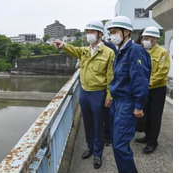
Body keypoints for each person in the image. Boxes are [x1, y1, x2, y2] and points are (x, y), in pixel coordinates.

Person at [54, 20, 115, 169]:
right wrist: (63, 46)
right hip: (84, 92)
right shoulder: (85, 51)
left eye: (92, 32)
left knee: (98, 124)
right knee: (87, 122)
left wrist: (109, 96)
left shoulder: (109, 53)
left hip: (98, 93)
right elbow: (74, 51)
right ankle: (90, 147)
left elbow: (111, 77)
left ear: (100, 34)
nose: (89, 35)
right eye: (87, 32)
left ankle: (98, 154)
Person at [107, 16, 151, 173]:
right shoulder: (121, 51)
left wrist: (139, 105)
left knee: (120, 145)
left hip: (127, 103)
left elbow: (140, 79)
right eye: (111, 32)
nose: (112, 35)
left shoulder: (135, 50)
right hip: (118, 102)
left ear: (126, 32)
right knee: (118, 143)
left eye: (115, 31)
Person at [135, 26, 170, 154]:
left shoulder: (162, 53)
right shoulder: (143, 52)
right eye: (143, 38)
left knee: (155, 116)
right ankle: (147, 136)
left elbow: (162, 72)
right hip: (145, 89)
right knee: (145, 114)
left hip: (157, 90)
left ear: (154, 39)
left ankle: (152, 142)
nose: (144, 40)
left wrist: (147, 83)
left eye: (147, 38)